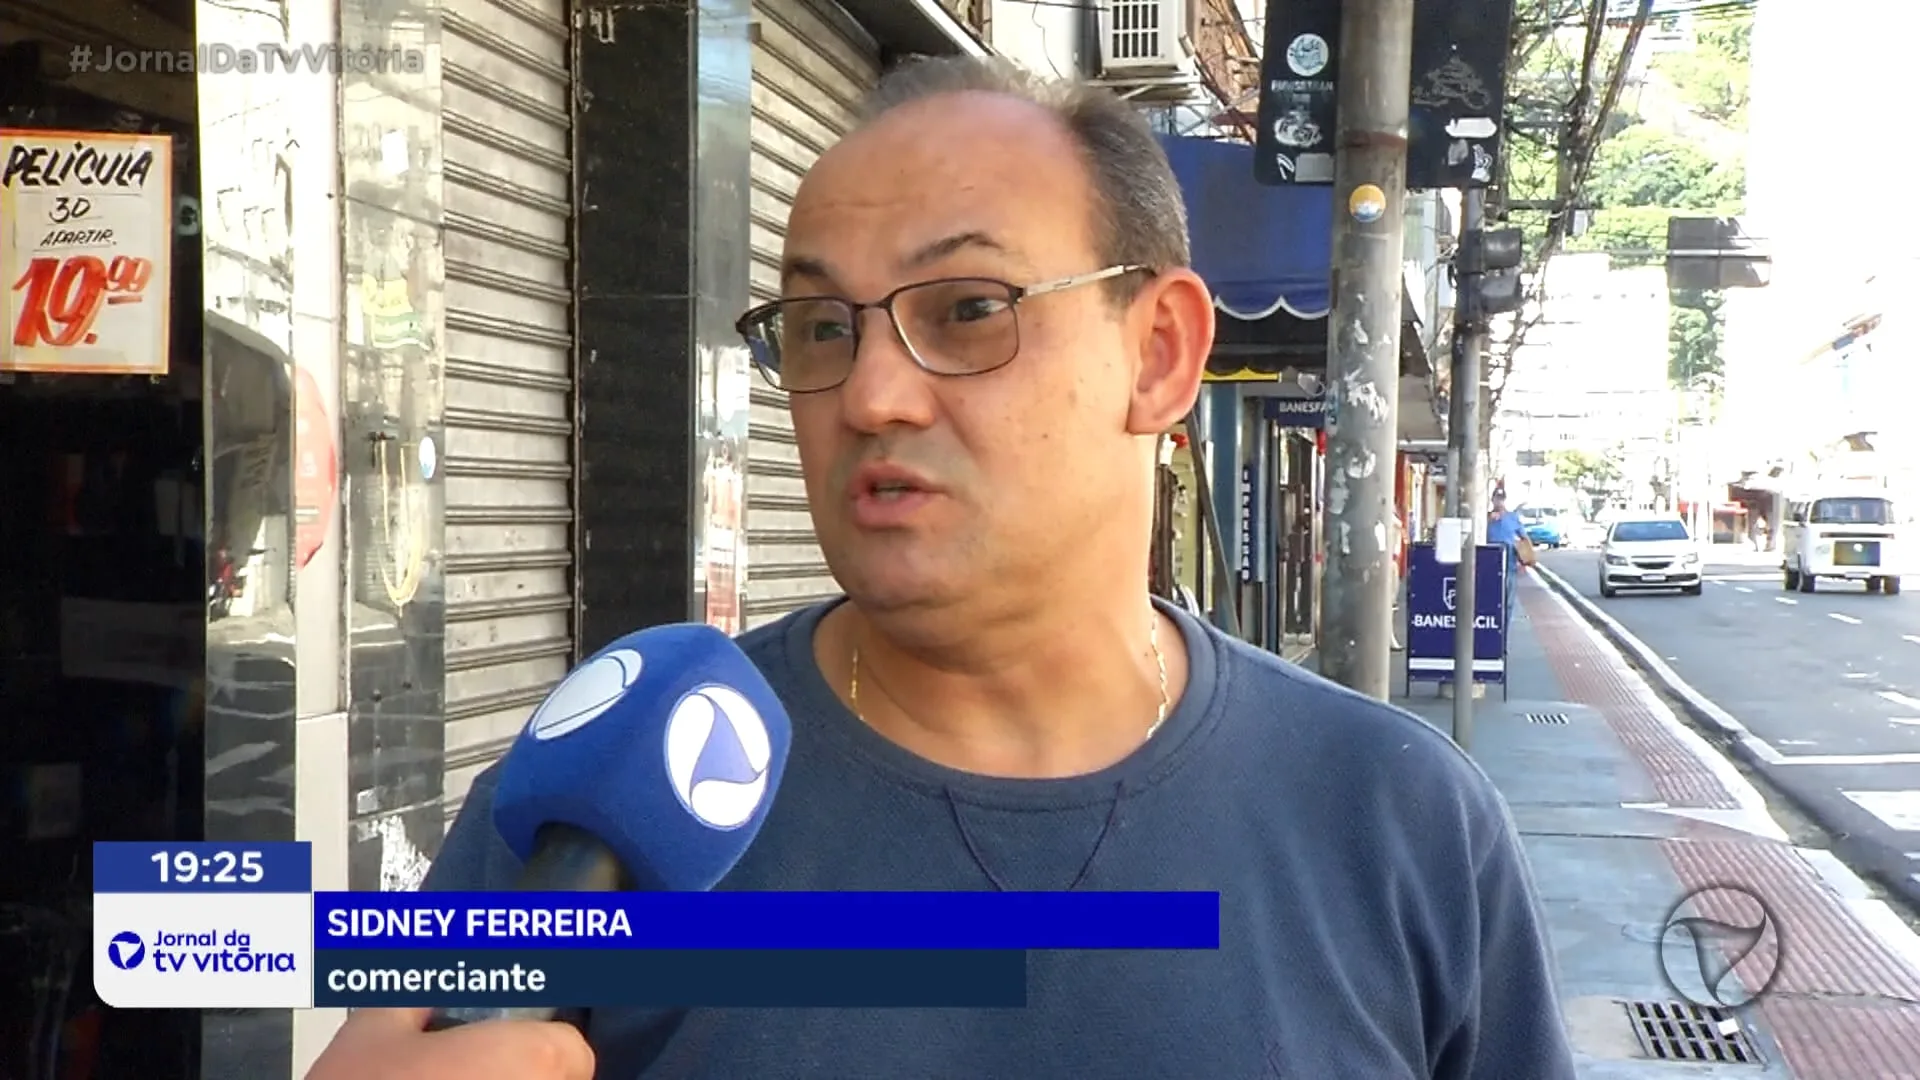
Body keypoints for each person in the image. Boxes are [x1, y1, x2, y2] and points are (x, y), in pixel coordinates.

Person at [306, 57, 1576, 1079]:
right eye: (818, 326)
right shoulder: (610, 802)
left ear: (1161, 353)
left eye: (968, 308)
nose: (870, 394)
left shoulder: (1399, 819)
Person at [1486, 494, 1527, 618]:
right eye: (1496, 499)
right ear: (1492, 500)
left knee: (1508, 602)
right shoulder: (1486, 518)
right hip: (1490, 563)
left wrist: (1523, 561)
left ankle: (1505, 632)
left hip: (1510, 563)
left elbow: (1524, 538)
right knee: (1491, 600)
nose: (1499, 502)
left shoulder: (1512, 518)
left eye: (1501, 499)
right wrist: (1488, 520)